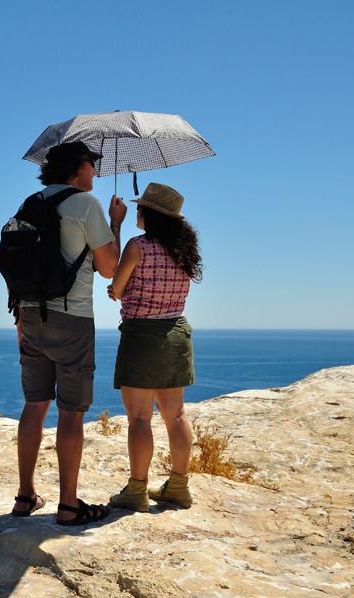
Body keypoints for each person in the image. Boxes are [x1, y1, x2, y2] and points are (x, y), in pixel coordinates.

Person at [11, 141, 127, 526]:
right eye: (92, 165)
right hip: (72, 319)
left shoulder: (30, 203)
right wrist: (116, 223)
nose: (95, 171)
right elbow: (109, 268)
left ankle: (25, 496)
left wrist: (20, 319)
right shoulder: (85, 204)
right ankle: (68, 505)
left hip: (30, 316)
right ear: (79, 166)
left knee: (34, 405)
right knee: (71, 413)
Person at [106, 182, 203, 512]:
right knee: (175, 415)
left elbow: (117, 287)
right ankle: (178, 487)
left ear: (149, 214)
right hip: (177, 333)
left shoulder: (137, 246)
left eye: (140, 208)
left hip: (142, 336)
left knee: (139, 419)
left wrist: (114, 225)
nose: (137, 212)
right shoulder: (183, 251)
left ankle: (136, 492)